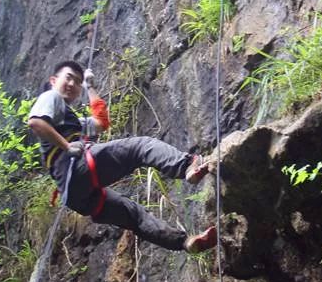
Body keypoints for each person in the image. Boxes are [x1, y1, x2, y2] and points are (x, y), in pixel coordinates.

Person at [27, 59, 217, 253]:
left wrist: (90, 87)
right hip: (78, 166)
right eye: (69, 78)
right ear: (53, 80)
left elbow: (101, 123)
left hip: (76, 195)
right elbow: (35, 123)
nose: (73, 84)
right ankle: (187, 166)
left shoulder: (70, 119)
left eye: (77, 82)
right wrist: (66, 146)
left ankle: (185, 243)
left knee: (132, 215)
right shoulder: (51, 97)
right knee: (141, 147)